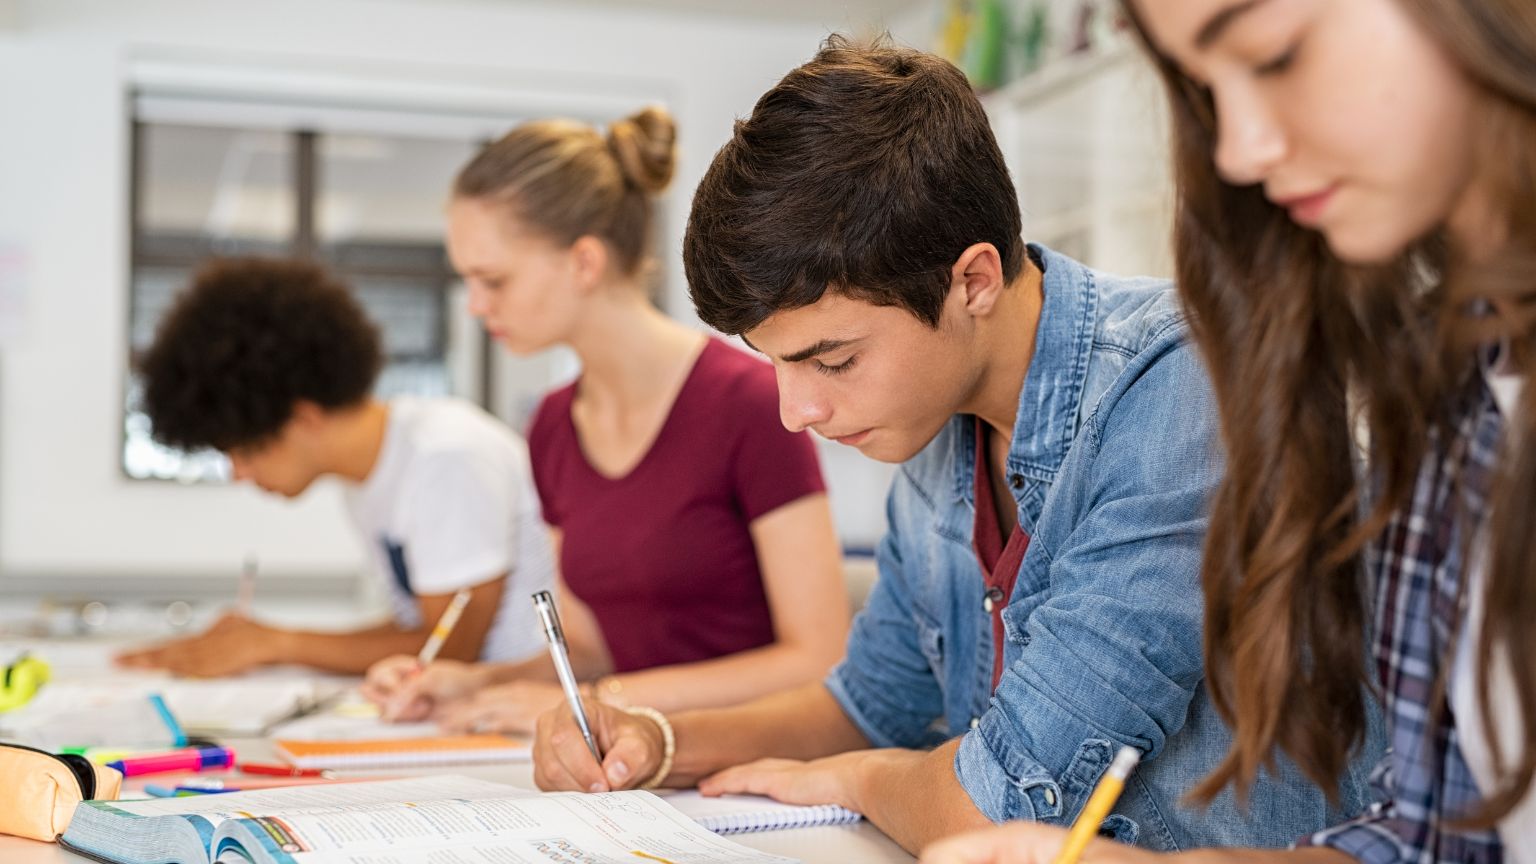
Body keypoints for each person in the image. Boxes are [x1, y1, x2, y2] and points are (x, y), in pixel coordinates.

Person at [529, 38, 1380, 855]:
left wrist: (864, 782)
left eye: (832, 359)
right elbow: (871, 704)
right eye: (779, 363)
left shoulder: (1180, 391)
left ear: (972, 281)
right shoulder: (939, 425)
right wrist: (658, 739)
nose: (796, 410)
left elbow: (997, 807)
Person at [919, 0, 1536, 862]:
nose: (1240, 150)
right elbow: (1436, 837)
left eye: (1277, 56)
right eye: (1208, 92)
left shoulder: (1163, 386)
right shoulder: (1456, 391)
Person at [360, 107, 849, 733]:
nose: (477, 306)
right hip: (630, 768)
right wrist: (475, 683)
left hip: (754, 764)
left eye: (493, 280)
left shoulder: (752, 403)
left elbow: (817, 659)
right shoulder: (554, 428)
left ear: (583, 262)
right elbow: (590, 651)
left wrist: (602, 701)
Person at [117, 257, 554, 676]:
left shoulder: (446, 456)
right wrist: (266, 641)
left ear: (303, 418)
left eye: (245, 452)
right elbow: (420, 629)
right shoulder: (368, 479)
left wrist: (277, 643)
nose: (239, 474)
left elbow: (450, 649)